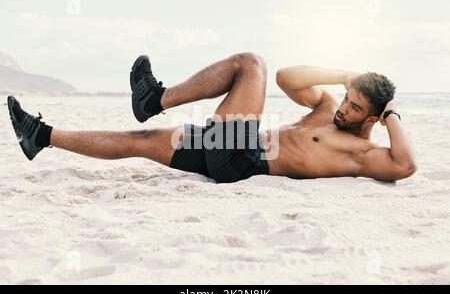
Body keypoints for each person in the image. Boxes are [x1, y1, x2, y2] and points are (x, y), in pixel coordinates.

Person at [8, 52, 417, 183]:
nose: (344, 108)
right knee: (139, 140)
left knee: (249, 64)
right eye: (347, 99)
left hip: (245, 162)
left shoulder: (363, 152)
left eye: (356, 107)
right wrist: (344, 78)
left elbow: (406, 164)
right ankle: (40, 136)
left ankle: (155, 99)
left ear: (375, 117)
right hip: (230, 146)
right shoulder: (329, 108)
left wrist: (392, 115)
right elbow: (287, 79)